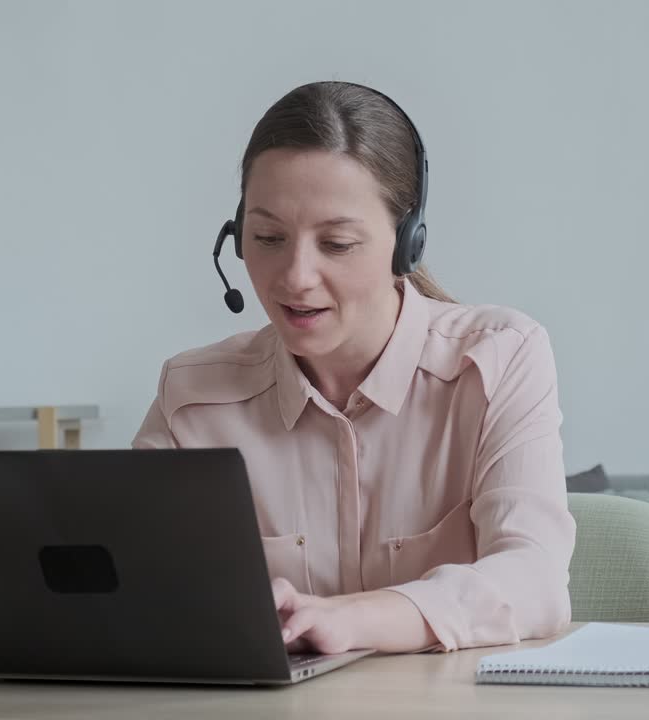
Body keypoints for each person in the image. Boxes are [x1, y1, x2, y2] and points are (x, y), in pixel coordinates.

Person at [132, 81, 575, 655]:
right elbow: (131, 586)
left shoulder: (498, 359)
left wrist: (353, 619)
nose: (295, 276)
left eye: (336, 244)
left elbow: (534, 579)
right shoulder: (191, 396)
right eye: (267, 237)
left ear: (406, 246)